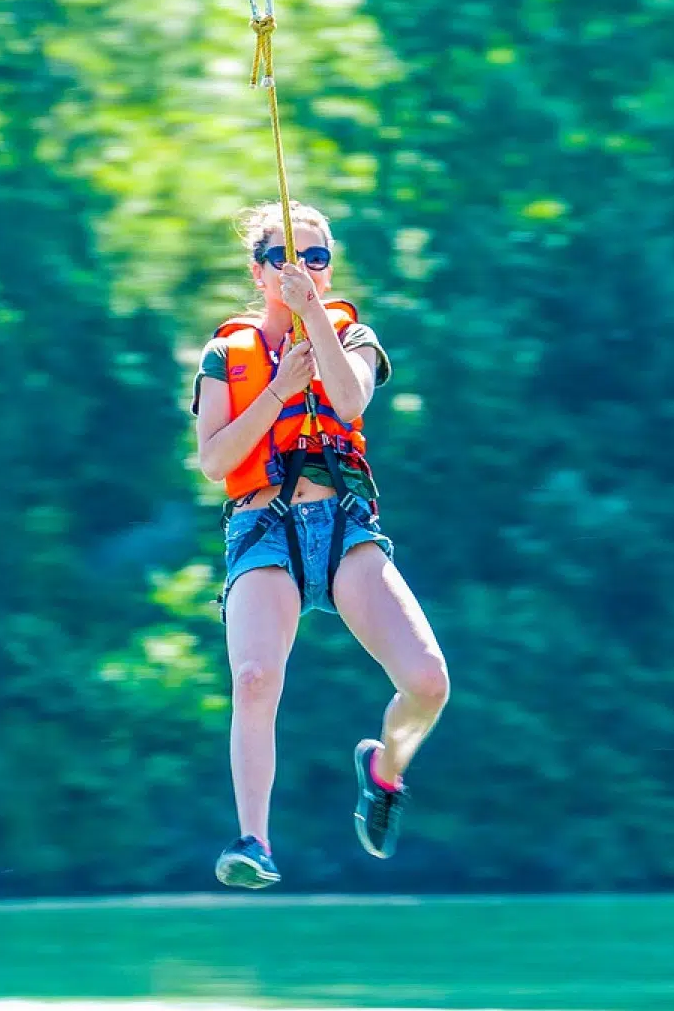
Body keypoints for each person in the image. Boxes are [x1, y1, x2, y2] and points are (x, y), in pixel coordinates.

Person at [190, 199, 451, 888]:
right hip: (263, 524)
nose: (299, 268)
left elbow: (349, 402)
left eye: (314, 257)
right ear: (258, 271)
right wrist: (277, 390)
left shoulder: (353, 336)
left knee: (428, 683)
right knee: (253, 679)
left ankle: (384, 770)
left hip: (340, 525)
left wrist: (316, 327)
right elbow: (215, 460)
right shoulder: (226, 356)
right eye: (282, 257)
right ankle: (255, 841)